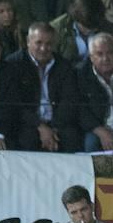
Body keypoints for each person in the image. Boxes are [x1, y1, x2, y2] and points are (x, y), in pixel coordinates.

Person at [7, 21, 75, 152]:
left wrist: (54, 128)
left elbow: (70, 101)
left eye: (49, 44)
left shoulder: (64, 66)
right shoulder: (14, 64)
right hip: (29, 123)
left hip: (58, 123)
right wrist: (40, 127)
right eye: (39, 43)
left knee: (71, 138)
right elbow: (15, 103)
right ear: (28, 41)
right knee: (27, 140)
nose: (44, 48)